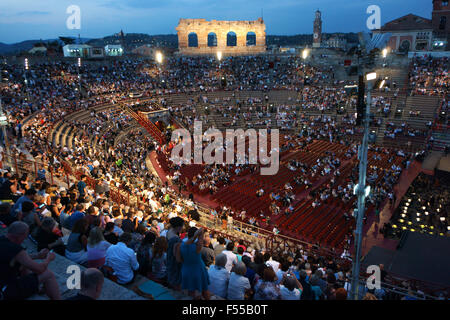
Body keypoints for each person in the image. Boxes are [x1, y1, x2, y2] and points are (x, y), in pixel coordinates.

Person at [0, 221, 60, 300]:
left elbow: (21, 259)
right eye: (25, 236)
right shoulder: (16, 249)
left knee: (24, 265)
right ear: (20, 236)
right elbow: (40, 269)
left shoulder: (3, 240)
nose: (25, 239)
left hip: (3, 282)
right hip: (7, 290)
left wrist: (37, 256)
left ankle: (34, 288)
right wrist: (48, 259)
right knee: (48, 274)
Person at [176, 227, 210, 300]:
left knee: (191, 293)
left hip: (186, 270)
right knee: (204, 290)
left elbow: (178, 260)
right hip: (199, 270)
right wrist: (199, 234)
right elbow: (200, 239)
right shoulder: (197, 246)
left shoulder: (180, 245)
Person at [166, 216, 184, 290]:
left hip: (169, 257)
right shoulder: (176, 239)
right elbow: (177, 255)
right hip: (174, 260)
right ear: (178, 227)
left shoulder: (169, 232)